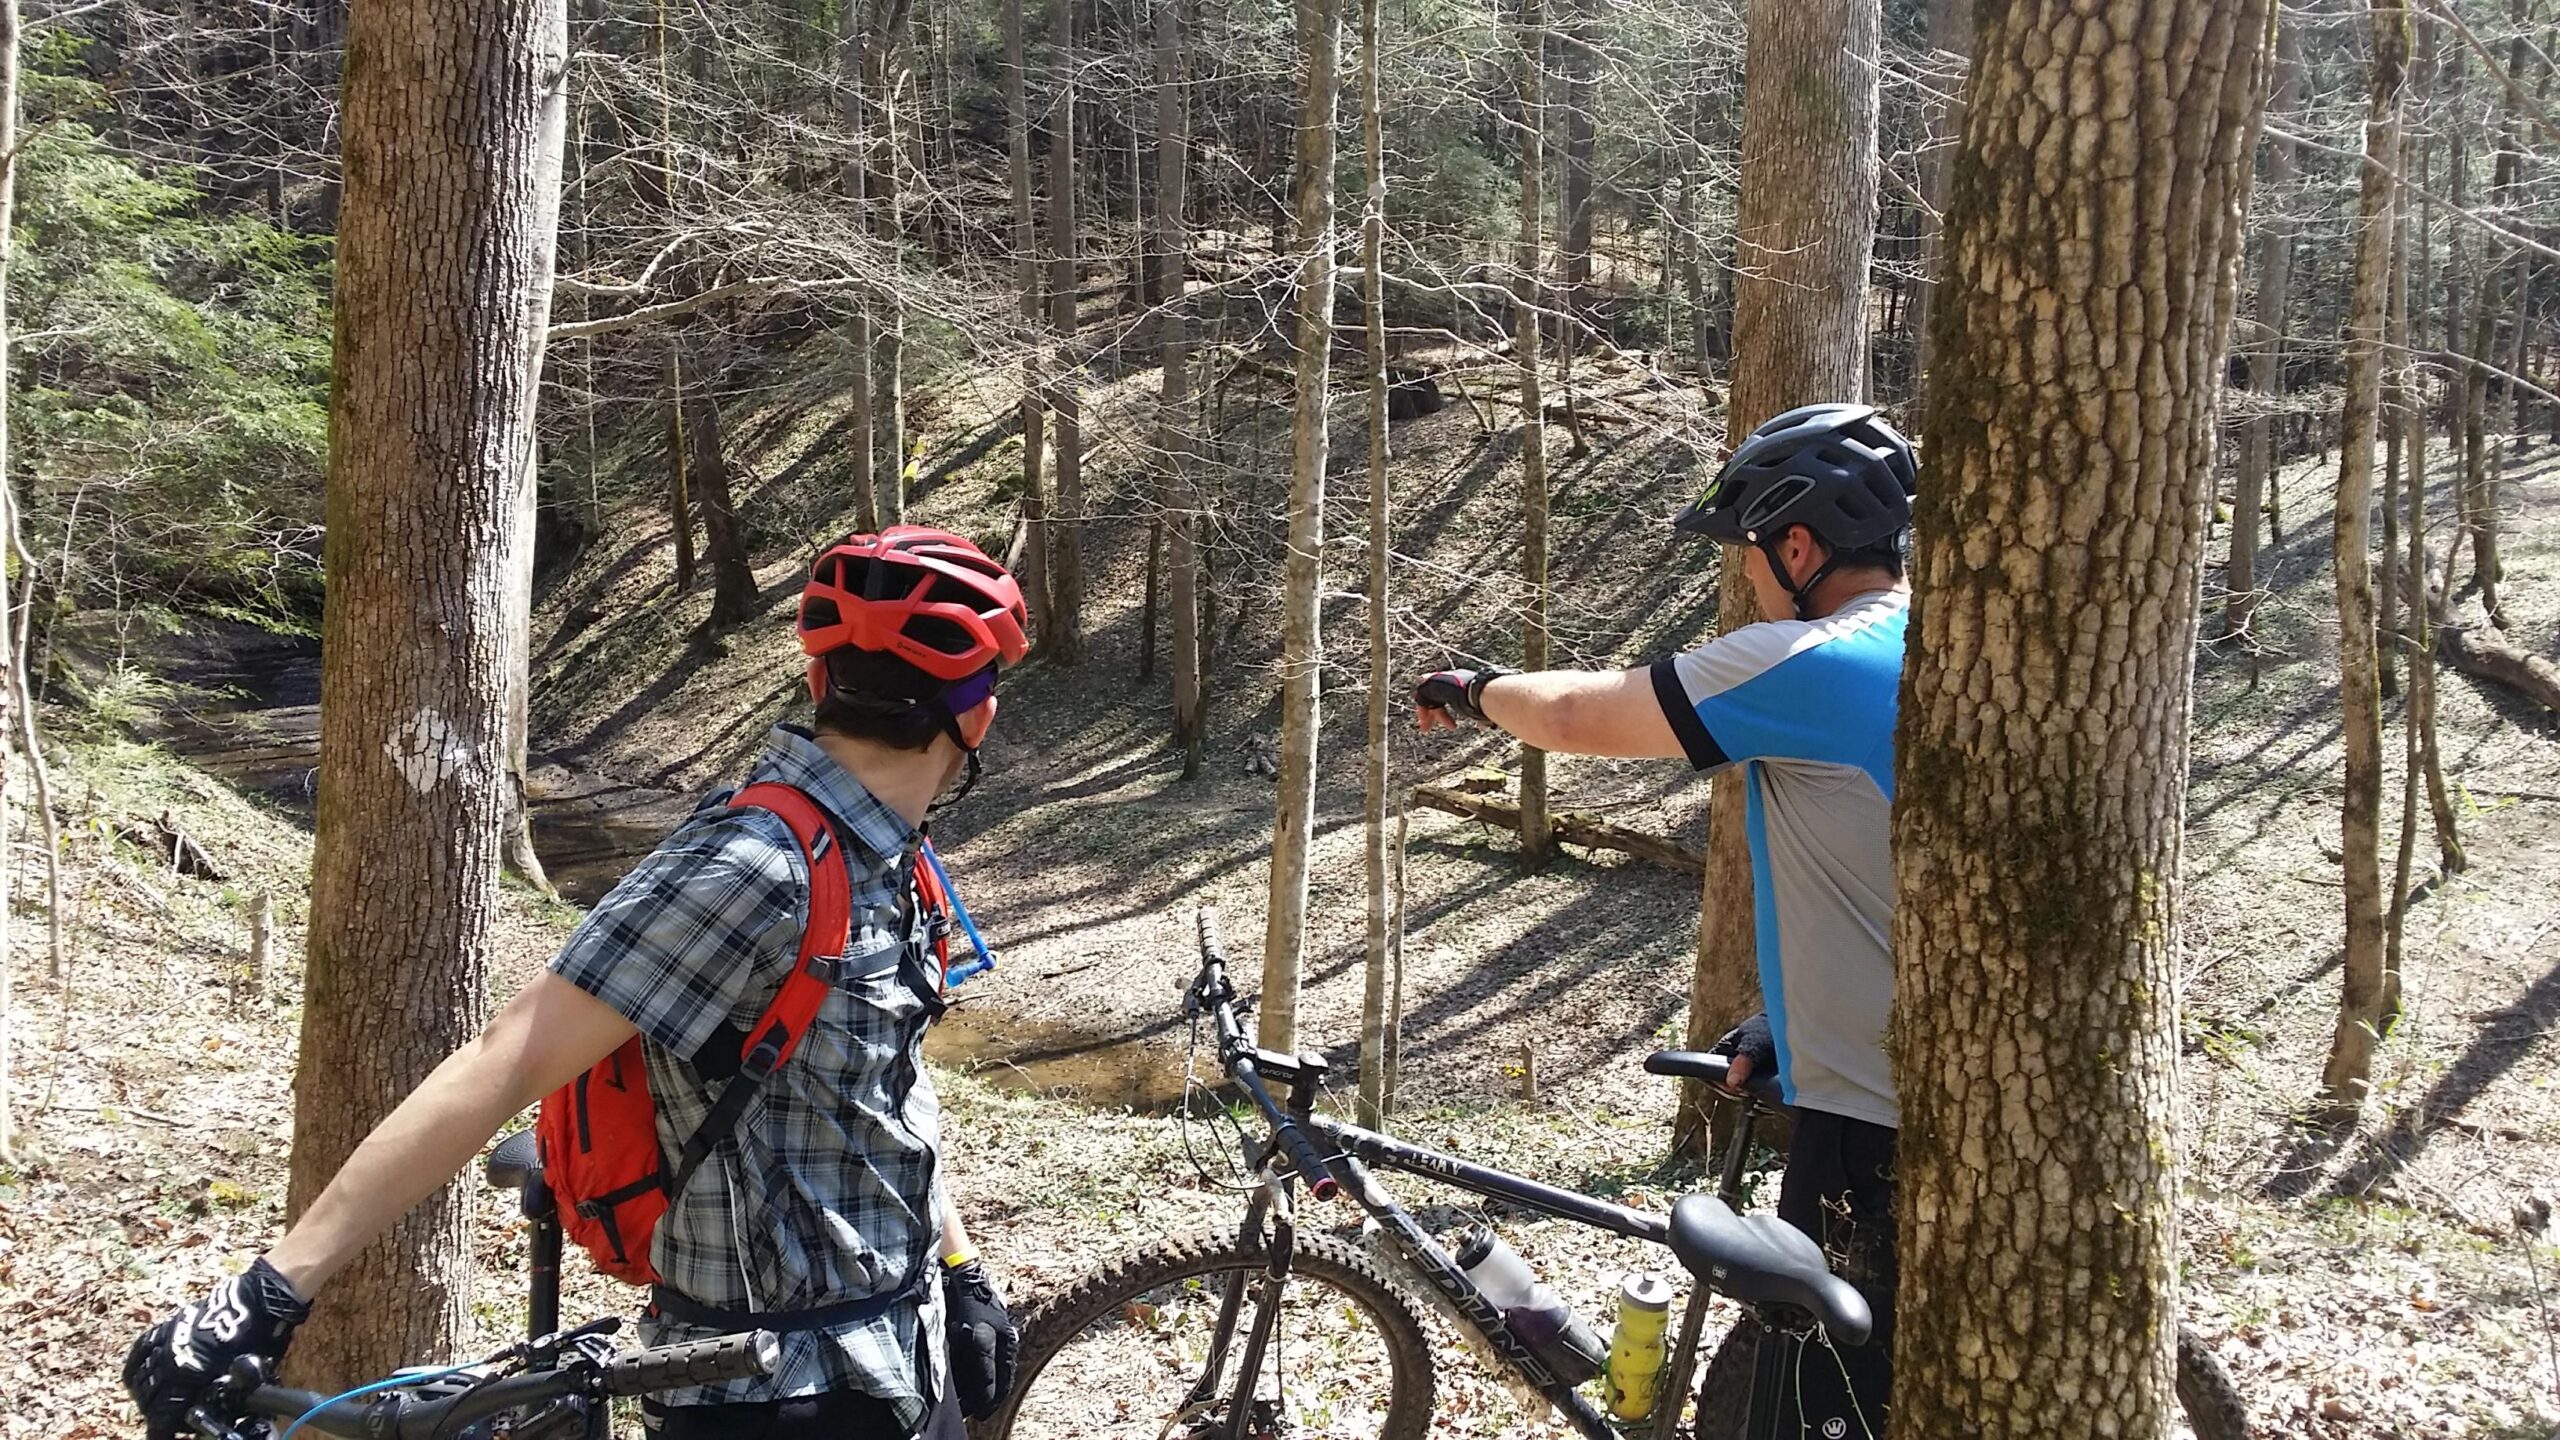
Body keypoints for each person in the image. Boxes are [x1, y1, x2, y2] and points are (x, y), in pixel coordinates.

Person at [125, 527, 1031, 1440]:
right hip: (770, 1395)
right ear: (980, 718)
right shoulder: (756, 865)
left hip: (900, 1357)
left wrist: (956, 1268)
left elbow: (886, 1085)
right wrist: (268, 1294)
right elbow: (503, 1063)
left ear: (815, 684)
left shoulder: (891, 861)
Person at [1413, 402, 1914, 1439]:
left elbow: (1569, 717)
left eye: (1749, 555)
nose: (1748, 581)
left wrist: (1470, 688)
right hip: (1898, 1070)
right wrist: (1788, 1022)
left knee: (1826, 1407)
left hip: (1871, 1119)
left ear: (1799, 545)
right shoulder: (1933, 645)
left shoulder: (1816, 657)